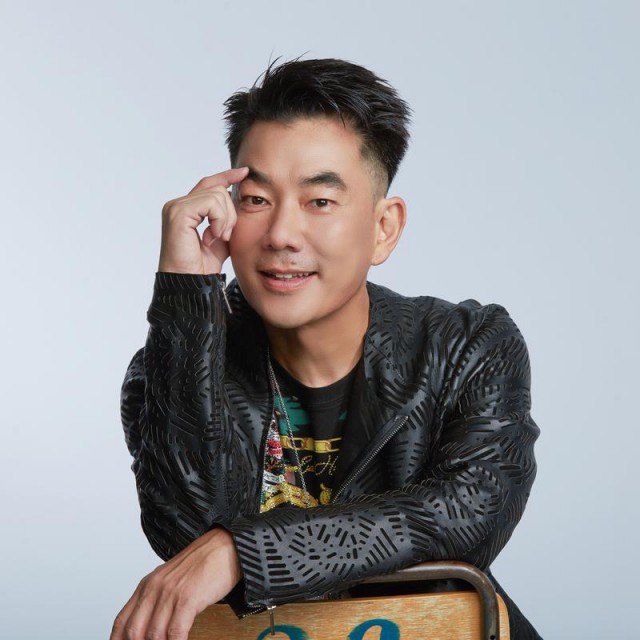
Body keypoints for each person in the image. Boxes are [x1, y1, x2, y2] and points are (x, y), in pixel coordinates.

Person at [113, 57, 542, 640]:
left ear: (384, 228)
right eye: (256, 200)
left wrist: (243, 551)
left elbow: (468, 511)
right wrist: (186, 294)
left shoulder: (468, 345)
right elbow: (181, 535)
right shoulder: (173, 362)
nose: (281, 235)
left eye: (319, 201)